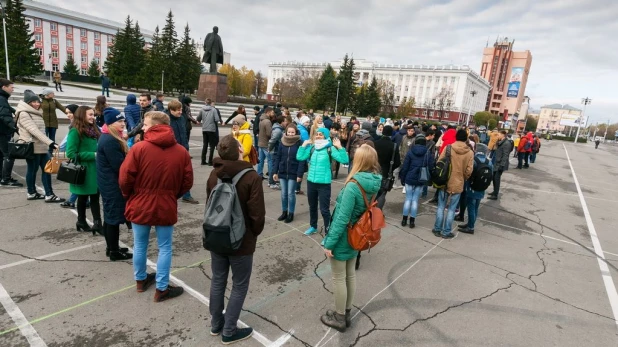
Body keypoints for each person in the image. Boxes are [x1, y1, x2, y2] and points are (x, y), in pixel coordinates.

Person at [120, 111, 193, 302]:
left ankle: (141, 280)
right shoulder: (181, 152)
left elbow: (125, 178)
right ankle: (161, 287)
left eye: (145, 124)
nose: (142, 127)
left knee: (140, 245)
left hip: (141, 202)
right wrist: (171, 195)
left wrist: (130, 196)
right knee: (164, 247)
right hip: (165, 204)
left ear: (154, 126)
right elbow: (187, 182)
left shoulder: (139, 148)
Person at [206, 134, 265, 343]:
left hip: (217, 235)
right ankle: (229, 330)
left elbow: (209, 206)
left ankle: (216, 324)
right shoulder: (251, 177)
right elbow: (257, 215)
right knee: (239, 285)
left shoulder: (214, 174)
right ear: (239, 151)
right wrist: (253, 234)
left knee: (218, 279)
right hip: (241, 239)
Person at [320, 144, 382, 332]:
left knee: (339, 278)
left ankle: (339, 317)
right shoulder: (374, 182)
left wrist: (328, 243)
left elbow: (341, 219)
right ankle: (345, 311)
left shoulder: (353, 186)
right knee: (350, 275)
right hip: (358, 235)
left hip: (344, 237)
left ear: (359, 161)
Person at [297, 127, 349, 235]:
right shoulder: (312, 147)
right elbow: (299, 157)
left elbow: (345, 160)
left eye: (321, 134)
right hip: (311, 181)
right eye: (317, 134)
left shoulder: (330, 148)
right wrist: (303, 145)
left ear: (325, 136)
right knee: (312, 207)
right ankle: (313, 226)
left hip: (324, 184)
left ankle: (328, 232)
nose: (318, 136)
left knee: (324, 210)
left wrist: (339, 147)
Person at [96, 107, 132, 260]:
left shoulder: (109, 136)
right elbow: (119, 166)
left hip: (108, 183)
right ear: (110, 123)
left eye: (123, 120)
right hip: (112, 185)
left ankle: (112, 247)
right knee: (112, 219)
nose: (123, 123)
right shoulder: (110, 140)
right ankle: (113, 252)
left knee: (111, 218)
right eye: (119, 121)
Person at [15, 90, 64, 202]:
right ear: (28, 103)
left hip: (41, 147)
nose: (37, 104)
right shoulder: (24, 113)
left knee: (47, 170)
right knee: (32, 170)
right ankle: (32, 192)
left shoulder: (35, 112)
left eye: (38, 101)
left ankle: (48, 194)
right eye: (34, 102)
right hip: (33, 148)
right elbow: (34, 131)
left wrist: (47, 143)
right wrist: (51, 143)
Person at [432, 129, 474, 239]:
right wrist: (463, 177)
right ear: (466, 139)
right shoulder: (469, 152)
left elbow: (439, 163)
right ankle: (446, 232)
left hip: (445, 181)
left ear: (456, 137)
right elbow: (469, 171)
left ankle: (437, 229)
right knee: (451, 209)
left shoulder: (448, 148)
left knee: (441, 206)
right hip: (458, 182)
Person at [66, 106, 102, 234]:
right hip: (83, 170)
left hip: (95, 169)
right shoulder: (75, 131)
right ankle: (81, 221)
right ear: (82, 116)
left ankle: (97, 223)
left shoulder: (94, 129)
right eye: (90, 115)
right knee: (83, 197)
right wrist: (93, 155)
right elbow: (70, 153)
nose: (93, 117)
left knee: (95, 197)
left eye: (93, 114)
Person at [399, 134, 434, 228]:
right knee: (415, 200)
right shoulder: (428, 153)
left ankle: (404, 219)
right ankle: (412, 221)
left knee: (408, 199)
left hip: (409, 178)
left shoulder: (410, 152)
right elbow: (431, 167)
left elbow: (405, 167)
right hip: (420, 179)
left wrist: (402, 178)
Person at [273, 124, 305, 223]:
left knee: (290, 193)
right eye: (289, 132)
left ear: (296, 132)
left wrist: (299, 174)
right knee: (283, 194)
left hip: (293, 172)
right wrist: (275, 172)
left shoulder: (299, 143)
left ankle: (291, 213)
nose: (290, 134)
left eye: (293, 132)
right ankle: (284, 212)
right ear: (286, 132)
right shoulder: (282, 142)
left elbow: (302, 160)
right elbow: (278, 157)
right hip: (282, 171)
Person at [167, 100, 198, 204]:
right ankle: (169, 195)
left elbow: (184, 134)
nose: (180, 112)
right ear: (171, 110)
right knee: (171, 175)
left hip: (183, 150)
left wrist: (186, 147)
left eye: (180, 110)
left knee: (186, 174)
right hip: (172, 152)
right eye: (178, 110)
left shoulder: (182, 118)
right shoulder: (166, 120)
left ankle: (186, 195)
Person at [458, 144, 493, 234]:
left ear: (476, 150)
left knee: (471, 207)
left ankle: (470, 227)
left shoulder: (474, 160)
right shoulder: (489, 162)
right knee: (476, 207)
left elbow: (468, 172)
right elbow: (491, 175)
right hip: (482, 187)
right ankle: (471, 223)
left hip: (472, 187)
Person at [0, 78, 22, 187]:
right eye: (11, 87)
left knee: (1, 155)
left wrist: (20, 112)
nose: (12, 89)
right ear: (4, 87)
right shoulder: (1, 98)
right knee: (9, 154)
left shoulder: (2, 98)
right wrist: (15, 128)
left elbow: (9, 109)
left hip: (1, 131)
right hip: (3, 132)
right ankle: (6, 179)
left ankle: (2, 177)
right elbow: (4, 115)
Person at [59, 104, 81, 208]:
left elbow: (68, 139)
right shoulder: (74, 122)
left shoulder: (76, 124)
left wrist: (60, 148)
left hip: (78, 154)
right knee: (80, 178)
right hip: (77, 154)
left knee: (77, 178)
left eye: (70, 113)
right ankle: (78, 200)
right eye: (66, 113)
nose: (67, 115)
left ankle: (72, 201)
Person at [374, 125, 400, 209]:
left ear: (382, 132)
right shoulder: (394, 146)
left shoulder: (375, 143)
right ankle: (377, 212)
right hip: (386, 172)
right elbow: (397, 162)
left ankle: (369, 211)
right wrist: (391, 168)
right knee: (382, 194)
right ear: (391, 134)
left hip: (374, 171)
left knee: (372, 193)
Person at [488, 131, 510, 200]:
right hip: (497, 162)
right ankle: (494, 191)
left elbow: (505, 155)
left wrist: (502, 165)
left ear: (503, 135)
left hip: (500, 164)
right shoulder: (501, 142)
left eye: (499, 135)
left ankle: (495, 194)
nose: (498, 136)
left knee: (496, 179)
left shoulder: (506, 143)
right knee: (494, 178)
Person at [197, 99, 221, 166]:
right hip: (212, 129)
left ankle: (203, 160)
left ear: (205, 102)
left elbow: (198, 118)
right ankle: (210, 161)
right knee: (212, 145)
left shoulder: (202, 109)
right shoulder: (214, 110)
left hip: (204, 129)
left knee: (205, 144)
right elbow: (217, 119)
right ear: (211, 103)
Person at [268, 115, 285, 189]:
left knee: (274, 166)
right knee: (274, 167)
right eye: (285, 121)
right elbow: (272, 141)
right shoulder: (278, 130)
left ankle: (272, 181)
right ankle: (271, 182)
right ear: (282, 122)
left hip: (275, 150)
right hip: (275, 151)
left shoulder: (279, 129)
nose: (286, 123)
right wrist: (270, 149)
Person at [257, 107, 274, 182]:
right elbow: (269, 133)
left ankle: (259, 175)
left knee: (261, 160)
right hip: (266, 144)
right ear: (268, 112)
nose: (273, 114)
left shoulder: (261, 119)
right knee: (270, 160)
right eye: (272, 112)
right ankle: (271, 178)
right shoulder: (267, 121)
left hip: (260, 142)